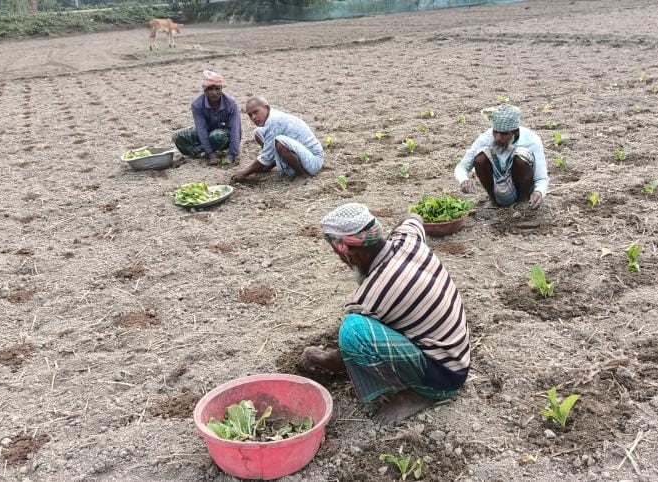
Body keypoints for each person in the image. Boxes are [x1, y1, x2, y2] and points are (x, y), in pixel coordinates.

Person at [301, 203, 470, 424]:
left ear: (353, 256)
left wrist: (322, 358)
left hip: (445, 376)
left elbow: (341, 358)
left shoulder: (371, 296)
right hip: (458, 353)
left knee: (352, 330)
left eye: (341, 257)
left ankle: (423, 392)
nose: (344, 263)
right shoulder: (408, 239)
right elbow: (414, 217)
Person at [454, 103, 549, 208]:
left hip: (522, 185)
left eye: (504, 134)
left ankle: (523, 200)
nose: (498, 138)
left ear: (515, 132)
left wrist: (539, 191)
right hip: (496, 186)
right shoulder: (485, 138)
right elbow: (462, 166)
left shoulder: (531, 140)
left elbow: (542, 178)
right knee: (480, 157)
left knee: (521, 156)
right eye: (495, 132)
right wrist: (463, 179)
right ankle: (493, 200)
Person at [230, 96, 323, 183]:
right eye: (250, 115)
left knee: (279, 141)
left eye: (256, 112)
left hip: (313, 161)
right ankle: (272, 162)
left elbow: (266, 156)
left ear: (267, 108)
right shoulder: (270, 117)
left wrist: (245, 172)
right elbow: (267, 152)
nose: (253, 117)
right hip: (303, 155)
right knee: (259, 133)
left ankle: (302, 175)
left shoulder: (274, 121)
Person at [171, 70, 241, 165]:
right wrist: (211, 155)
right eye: (210, 89)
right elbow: (201, 130)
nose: (214, 92)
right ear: (205, 90)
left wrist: (231, 155)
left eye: (217, 89)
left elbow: (235, 130)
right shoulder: (197, 104)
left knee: (216, 136)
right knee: (177, 137)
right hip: (208, 132)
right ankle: (204, 152)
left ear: (221, 89)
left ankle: (199, 151)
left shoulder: (231, 103)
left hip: (225, 135)